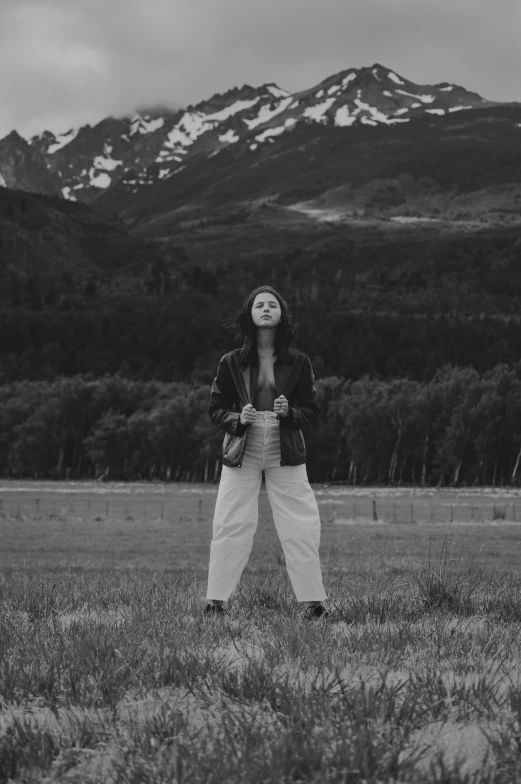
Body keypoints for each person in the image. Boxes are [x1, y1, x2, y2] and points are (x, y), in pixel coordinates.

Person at [204, 285, 329, 619]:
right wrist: (236, 418)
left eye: (272, 304)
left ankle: (314, 604)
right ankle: (215, 602)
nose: (265, 308)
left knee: (301, 524)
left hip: (284, 445)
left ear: (281, 315)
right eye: (259, 304)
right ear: (249, 314)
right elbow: (216, 408)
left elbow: (311, 410)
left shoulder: (299, 362)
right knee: (230, 522)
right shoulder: (230, 362)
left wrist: (289, 413)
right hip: (242, 446)